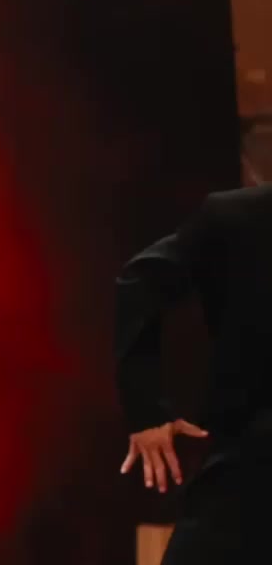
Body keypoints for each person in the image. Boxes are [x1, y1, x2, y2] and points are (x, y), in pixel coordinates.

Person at [115, 185, 272, 563]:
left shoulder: (238, 214)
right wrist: (146, 408)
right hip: (249, 464)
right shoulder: (238, 216)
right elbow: (140, 281)